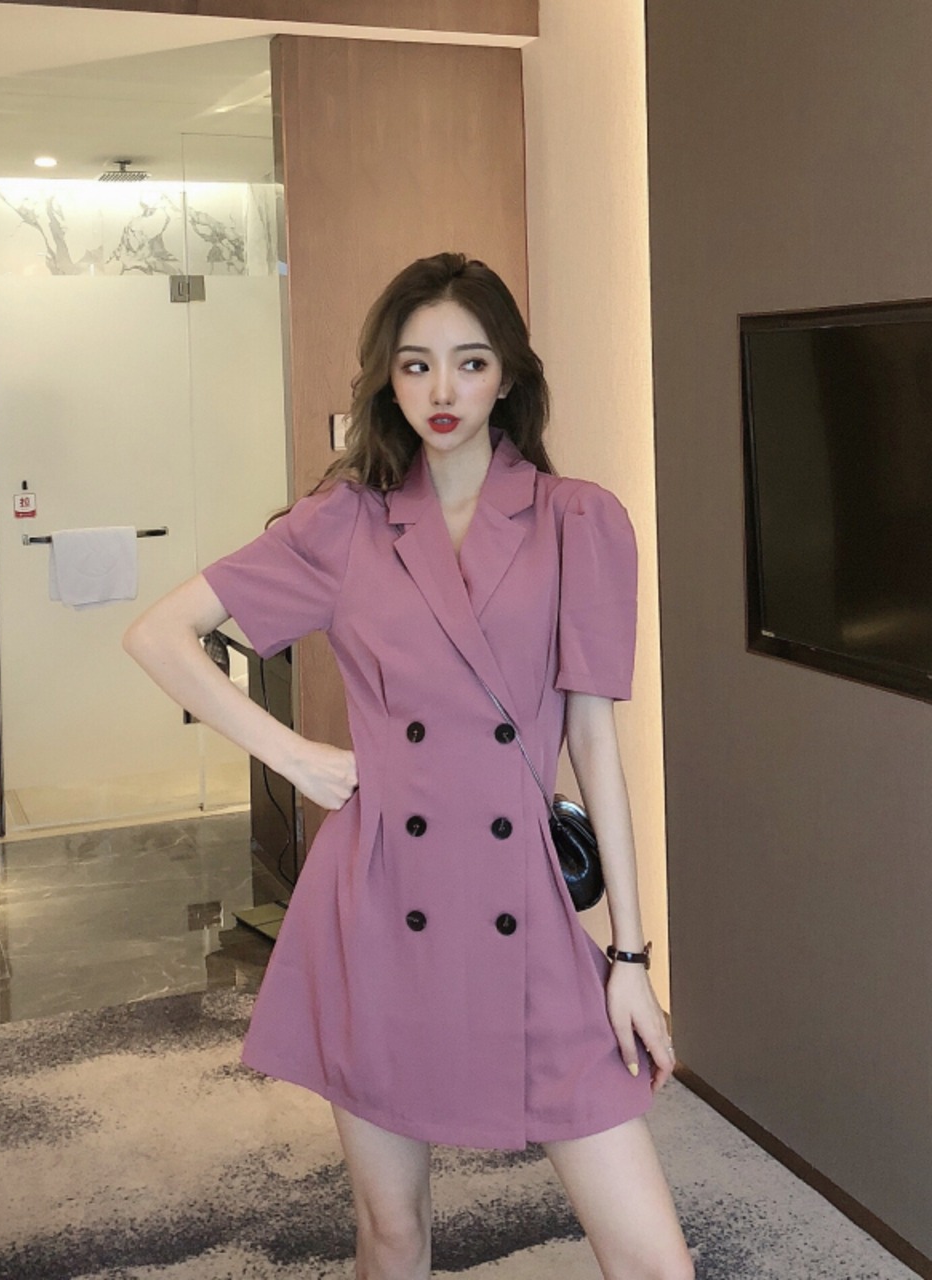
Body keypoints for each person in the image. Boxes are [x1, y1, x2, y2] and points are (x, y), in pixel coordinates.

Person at [123, 252, 694, 1280]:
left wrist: (629, 956)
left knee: (655, 1261)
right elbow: (159, 634)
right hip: (378, 902)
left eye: (470, 363)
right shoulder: (346, 523)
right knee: (392, 1233)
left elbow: (593, 742)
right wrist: (294, 755)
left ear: (507, 377)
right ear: (387, 380)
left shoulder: (578, 520)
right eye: (416, 364)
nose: (442, 390)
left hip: (524, 902)